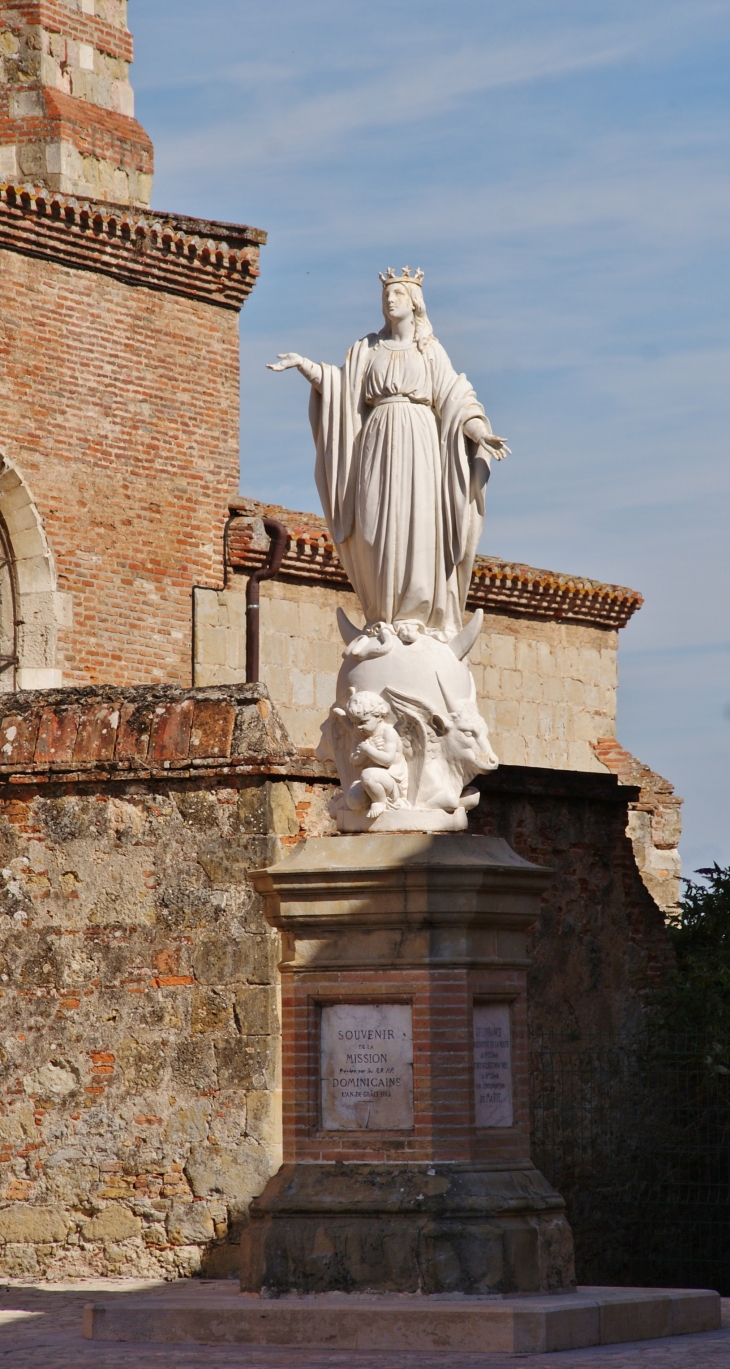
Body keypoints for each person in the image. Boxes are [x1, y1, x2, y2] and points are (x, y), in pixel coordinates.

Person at [267, 268, 508, 642]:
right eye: (386, 295)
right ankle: (382, 612)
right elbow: (341, 388)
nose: (389, 300)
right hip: (376, 445)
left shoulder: (430, 351)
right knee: (375, 523)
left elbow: (456, 400)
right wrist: (307, 367)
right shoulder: (368, 349)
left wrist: (480, 432)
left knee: (417, 521)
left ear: (414, 303)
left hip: (420, 444)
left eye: (397, 294)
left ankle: (415, 614)